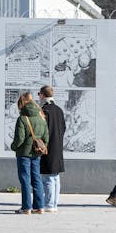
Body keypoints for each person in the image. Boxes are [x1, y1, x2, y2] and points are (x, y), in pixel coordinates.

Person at [10, 91, 49, 214]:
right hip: (36, 153)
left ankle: (26, 207)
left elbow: (19, 139)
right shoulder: (41, 116)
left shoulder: (22, 119)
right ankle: (39, 207)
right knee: (36, 178)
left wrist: (14, 147)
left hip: (24, 154)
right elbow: (46, 137)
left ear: (22, 104)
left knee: (25, 180)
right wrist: (42, 147)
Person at [38, 85, 66, 213]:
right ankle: (54, 203)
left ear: (42, 95)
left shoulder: (44, 110)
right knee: (55, 176)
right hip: (58, 146)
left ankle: (49, 204)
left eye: (39, 94)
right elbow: (64, 128)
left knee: (48, 176)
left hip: (47, 147)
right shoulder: (59, 110)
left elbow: (41, 130)